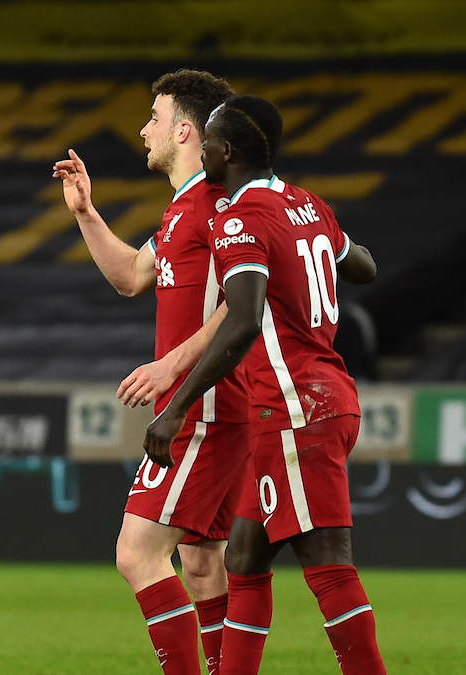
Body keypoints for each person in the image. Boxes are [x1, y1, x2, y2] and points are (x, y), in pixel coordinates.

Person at [144, 95, 386, 675]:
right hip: (318, 398)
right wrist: (318, 246)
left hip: (295, 403)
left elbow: (244, 319)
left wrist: (175, 407)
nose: (202, 157)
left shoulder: (239, 219)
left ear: (226, 151)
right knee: (245, 559)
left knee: (328, 563)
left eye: (207, 147)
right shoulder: (306, 204)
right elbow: (365, 267)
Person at [53, 69, 250, 675]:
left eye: (155, 118)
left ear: (185, 130)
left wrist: (171, 365)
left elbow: (244, 301)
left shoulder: (218, 208)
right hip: (211, 406)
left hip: (207, 406)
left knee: (138, 554)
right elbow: (130, 277)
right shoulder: (181, 212)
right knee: (201, 562)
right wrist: (87, 213)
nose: (143, 129)